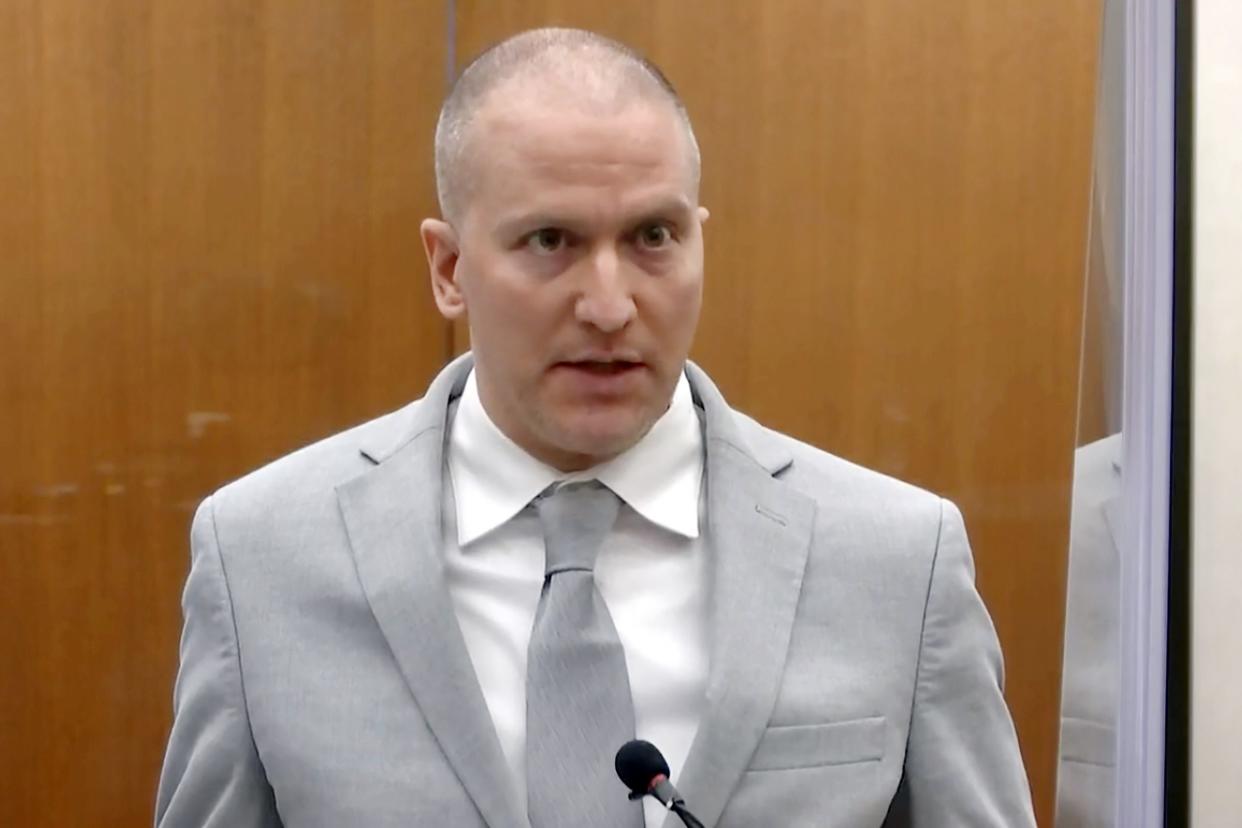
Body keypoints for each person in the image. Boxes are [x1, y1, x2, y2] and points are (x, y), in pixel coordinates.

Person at [156, 27, 1036, 828]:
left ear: (700, 243)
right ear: (450, 268)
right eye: (549, 241)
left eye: (653, 235)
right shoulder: (261, 558)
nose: (611, 306)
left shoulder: (897, 558)